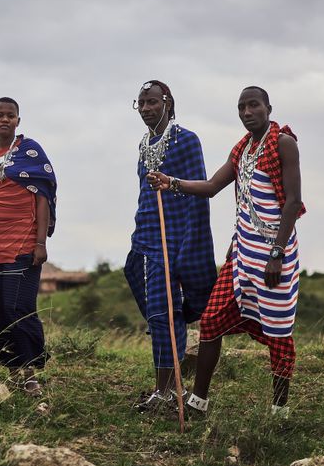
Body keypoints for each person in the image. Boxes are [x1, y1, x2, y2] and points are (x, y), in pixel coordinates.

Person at [147, 85, 304, 418]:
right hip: (242, 253)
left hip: (274, 254)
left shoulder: (284, 144)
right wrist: (170, 182)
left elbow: (292, 203)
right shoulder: (241, 151)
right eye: (241, 108)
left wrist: (277, 254)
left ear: (268, 108)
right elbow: (211, 187)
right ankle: (198, 402)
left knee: (278, 333)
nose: (247, 112)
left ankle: (279, 410)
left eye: (253, 106)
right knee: (213, 319)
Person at [126, 81, 217, 414]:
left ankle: (164, 391)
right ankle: (171, 331)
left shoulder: (186, 140)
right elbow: (142, 192)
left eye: (152, 102)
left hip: (175, 232)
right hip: (147, 229)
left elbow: (200, 191)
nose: (147, 108)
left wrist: (189, 241)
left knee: (163, 313)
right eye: (141, 103)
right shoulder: (143, 144)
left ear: (167, 102)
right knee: (138, 280)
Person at [0, 97, 57, 396]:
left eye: (10, 115)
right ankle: (15, 371)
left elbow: (42, 198)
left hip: (22, 244)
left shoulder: (31, 151)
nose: (5, 119)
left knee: (20, 308)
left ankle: (30, 373)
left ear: (18, 120)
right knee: (1, 309)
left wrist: (40, 242)